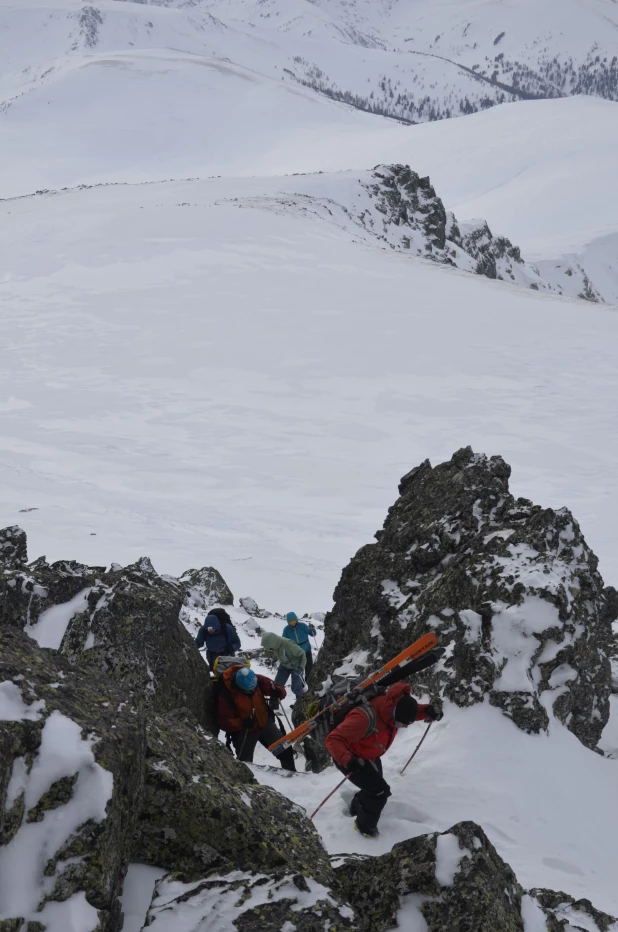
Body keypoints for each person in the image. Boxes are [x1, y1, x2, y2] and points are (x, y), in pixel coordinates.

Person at [325, 683, 442, 838]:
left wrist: (427, 711)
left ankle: (356, 807)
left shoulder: (395, 707)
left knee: (373, 787)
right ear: (393, 713)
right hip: (350, 758)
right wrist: (348, 760)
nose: (404, 727)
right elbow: (333, 739)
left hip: (369, 755)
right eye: (401, 724)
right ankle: (365, 829)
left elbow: (411, 711)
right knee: (380, 792)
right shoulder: (363, 718)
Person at [216, 663, 295, 770]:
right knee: (246, 764)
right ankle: (249, 784)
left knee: (285, 751)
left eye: (254, 688)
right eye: (249, 690)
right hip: (245, 730)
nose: (253, 691)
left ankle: (292, 776)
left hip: (263, 722)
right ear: (239, 687)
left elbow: (275, 686)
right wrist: (242, 723)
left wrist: (278, 691)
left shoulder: (254, 679)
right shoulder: (226, 694)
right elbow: (224, 721)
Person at [261, 632, 307, 698]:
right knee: (276, 686)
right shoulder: (274, 646)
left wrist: (301, 668)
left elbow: (302, 654)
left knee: (296, 688)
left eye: (268, 646)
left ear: (272, 642)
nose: (268, 648)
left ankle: (302, 704)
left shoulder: (288, 644)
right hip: (284, 666)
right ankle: (274, 704)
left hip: (296, 666)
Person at [282, 612, 317, 677]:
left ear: (296, 620)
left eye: (294, 621)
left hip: (307, 651)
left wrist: (313, 630)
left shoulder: (303, 626)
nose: (292, 623)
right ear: (288, 622)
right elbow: (284, 641)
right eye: (290, 622)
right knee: (299, 671)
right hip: (296, 653)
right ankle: (301, 684)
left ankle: (308, 682)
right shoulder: (286, 630)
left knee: (309, 668)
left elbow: (312, 634)